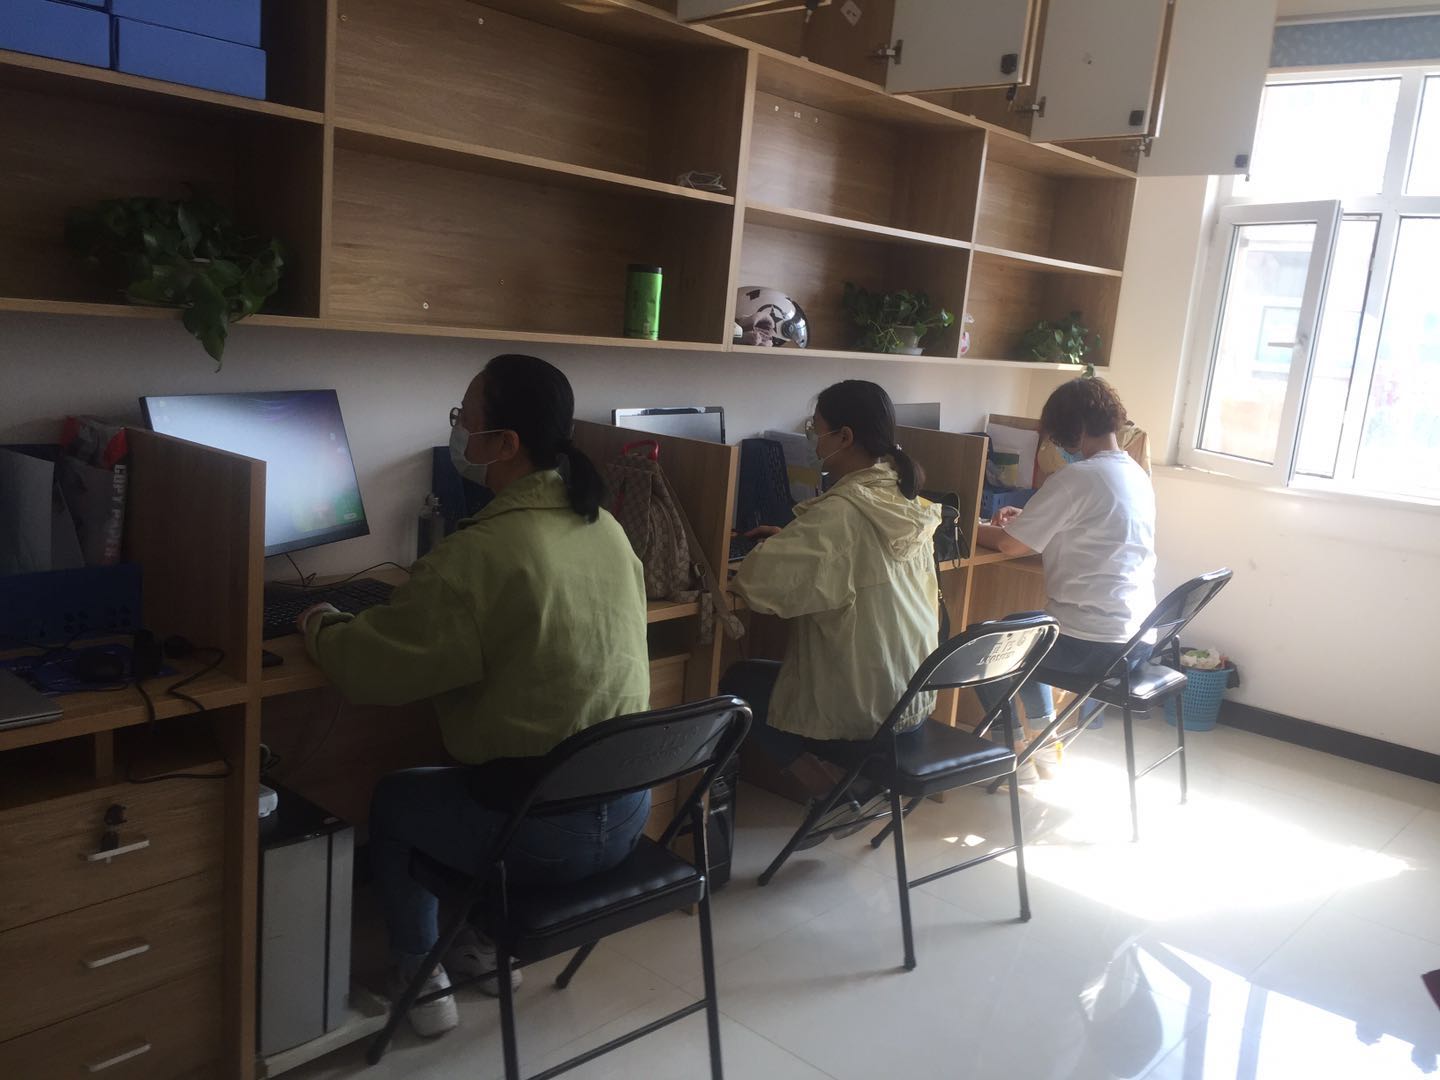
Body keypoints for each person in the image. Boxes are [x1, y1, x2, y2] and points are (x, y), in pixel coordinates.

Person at [296, 355, 651, 1038]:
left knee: (395, 799)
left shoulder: (479, 555)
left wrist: (320, 623)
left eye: (465, 416)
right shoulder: (604, 528)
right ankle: (482, 946)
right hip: (629, 812)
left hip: (543, 838)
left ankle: (420, 974)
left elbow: (371, 671)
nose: (457, 429)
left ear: (505, 443)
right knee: (483, 777)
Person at [723, 380, 941, 822]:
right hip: (911, 697)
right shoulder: (906, 501)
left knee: (739, 683)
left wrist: (768, 550)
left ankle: (833, 795)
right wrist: (795, 540)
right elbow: (846, 558)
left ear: (844, 437)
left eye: (815, 428)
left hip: (867, 709)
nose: (811, 438)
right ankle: (851, 785)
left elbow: (757, 584)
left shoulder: (841, 513)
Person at [977, 377, 1156, 771]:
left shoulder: (1078, 478)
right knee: (1026, 624)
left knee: (985, 647)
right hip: (1136, 639)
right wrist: (1034, 518)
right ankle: (1045, 744)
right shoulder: (1135, 474)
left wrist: (968, 527)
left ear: (1075, 428)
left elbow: (1010, 545)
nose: (1058, 445)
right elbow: (1092, 526)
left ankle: (1007, 757)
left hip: (1092, 645)